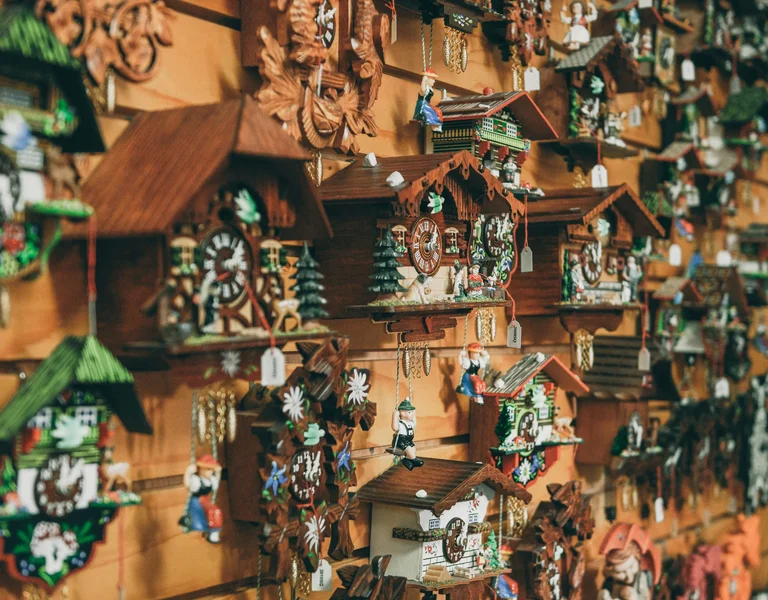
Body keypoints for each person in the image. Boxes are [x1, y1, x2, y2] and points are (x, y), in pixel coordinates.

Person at [181, 454, 223, 543]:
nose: (210, 472)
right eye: (208, 469)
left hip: (205, 500)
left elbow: (216, 484)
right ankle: (211, 532)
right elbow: (187, 486)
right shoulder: (196, 480)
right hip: (197, 501)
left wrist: (218, 472)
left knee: (216, 511)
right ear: (200, 469)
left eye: (212, 469)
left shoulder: (211, 480)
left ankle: (214, 532)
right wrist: (188, 472)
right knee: (213, 511)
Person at [391, 398, 423, 471]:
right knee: (409, 451)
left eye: (412, 412)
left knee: (413, 449)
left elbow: (415, 422)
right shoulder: (400, 423)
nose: (411, 414)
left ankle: (406, 461)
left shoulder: (410, 423)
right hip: (401, 441)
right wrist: (394, 416)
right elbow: (395, 428)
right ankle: (414, 460)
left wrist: (414, 414)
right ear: (402, 413)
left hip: (409, 441)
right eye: (409, 412)